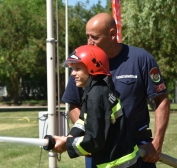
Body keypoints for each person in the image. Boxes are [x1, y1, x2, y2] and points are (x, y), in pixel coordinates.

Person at [62, 13, 170, 168]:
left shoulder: (141, 59)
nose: (89, 42)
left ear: (112, 34)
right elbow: (74, 104)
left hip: (139, 149)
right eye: (87, 37)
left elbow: (161, 100)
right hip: (99, 149)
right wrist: (89, 136)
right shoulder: (83, 61)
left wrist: (157, 142)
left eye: (95, 37)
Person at [52, 45, 141, 168]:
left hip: (117, 163)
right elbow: (83, 119)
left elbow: (94, 140)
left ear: (92, 68)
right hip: (124, 158)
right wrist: (70, 136)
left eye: (77, 68)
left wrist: (66, 144)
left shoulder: (96, 95)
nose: (73, 74)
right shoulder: (99, 88)